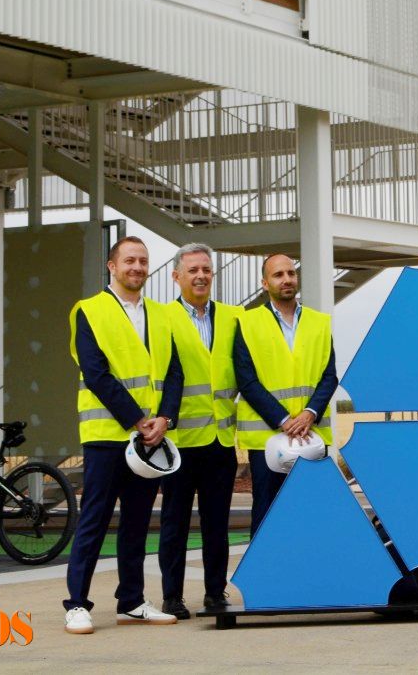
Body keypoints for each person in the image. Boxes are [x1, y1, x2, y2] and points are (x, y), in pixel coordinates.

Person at [64, 236, 183, 633]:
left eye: (143, 261)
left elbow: (175, 374)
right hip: (106, 435)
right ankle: (77, 603)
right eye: (129, 260)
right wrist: (138, 419)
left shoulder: (163, 316)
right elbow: (96, 373)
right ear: (112, 266)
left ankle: (131, 600)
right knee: (94, 520)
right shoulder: (89, 311)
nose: (137, 267)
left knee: (136, 522)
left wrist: (164, 418)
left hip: (149, 438)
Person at [156, 243, 239, 620]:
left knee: (216, 526)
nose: (201, 275)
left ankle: (214, 593)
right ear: (177, 276)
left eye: (206, 269)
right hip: (180, 442)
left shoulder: (233, 317)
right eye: (193, 270)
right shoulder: (161, 318)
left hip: (221, 440)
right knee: (174, 524)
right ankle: (172, 596)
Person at [233, 254, 337, 532]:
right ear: (265, 283)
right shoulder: (247, 322)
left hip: (310, 436)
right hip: (266, 439)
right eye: (278, 275)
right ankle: (263, 575)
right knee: (266, 514)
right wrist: (282, 419)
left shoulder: (319, 322)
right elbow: (246, 380)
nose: (287, 279)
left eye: (291, 273)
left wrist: (309, 414)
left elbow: (329, 376)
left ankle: (306, 574)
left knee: (310, 512)